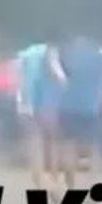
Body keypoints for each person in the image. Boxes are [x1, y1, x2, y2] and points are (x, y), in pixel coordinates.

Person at [51, 33, 102, 192]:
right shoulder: (98, 56)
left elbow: (58, 80)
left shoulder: (67, 55)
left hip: (68, 106)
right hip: (91, 107)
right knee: (93, 148)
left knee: (68, 146)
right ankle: (93, 186)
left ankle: (72, 186)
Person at [15, 42, 62, 190]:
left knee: (35, 143)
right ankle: (54, 179)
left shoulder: (24, 55)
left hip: (26, 104)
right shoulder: (50, 52)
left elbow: (18, 80)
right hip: (45, 104)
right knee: (53, 141)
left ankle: (38, 180)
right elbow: (59, 76)